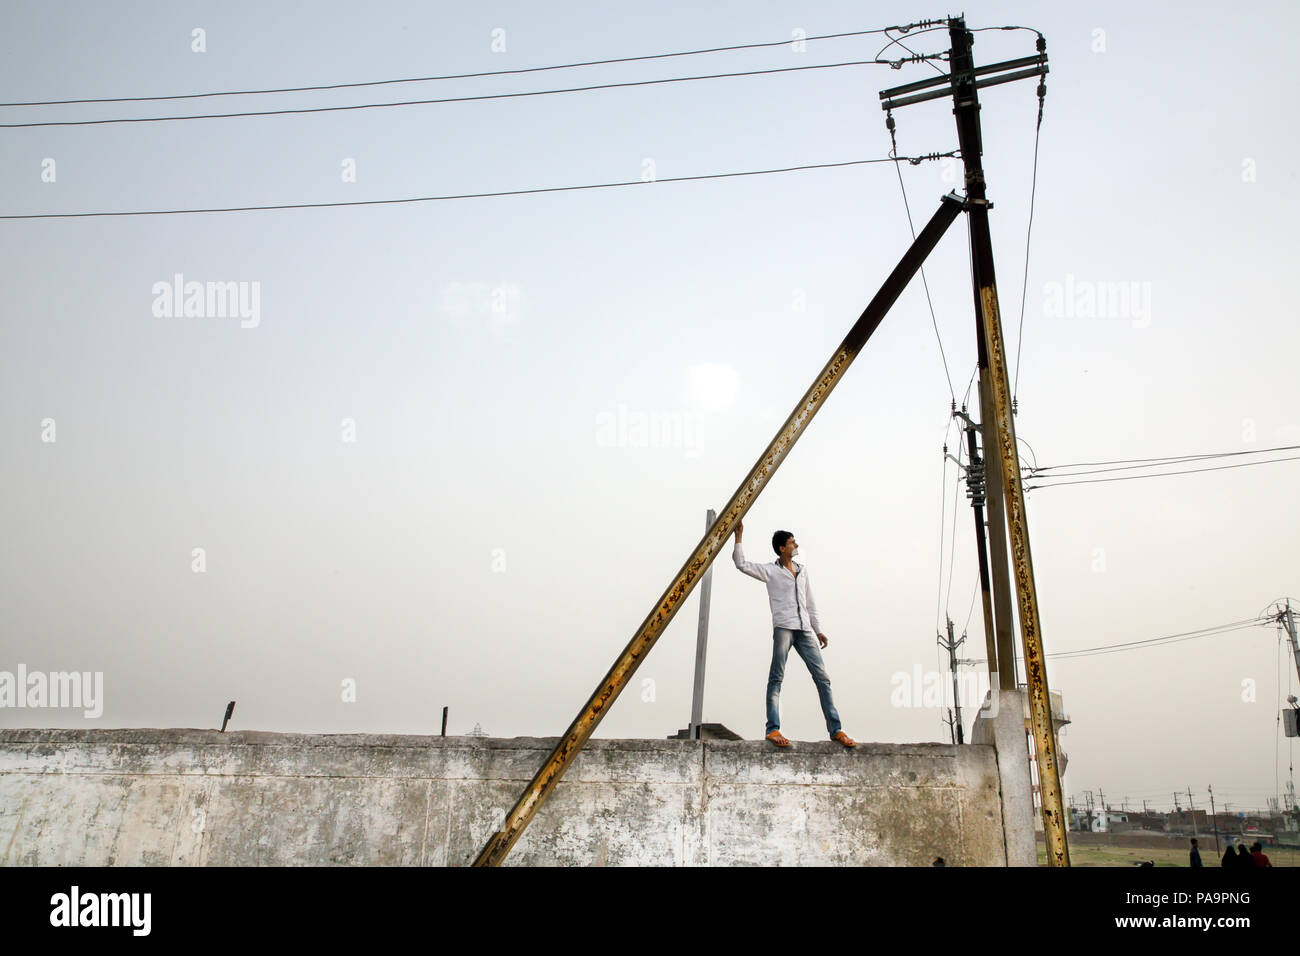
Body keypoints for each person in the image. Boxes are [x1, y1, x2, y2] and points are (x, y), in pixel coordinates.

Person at [733, 519, 856, 749]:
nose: (796, 545)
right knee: (776, 678)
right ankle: (773, 729)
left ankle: (836, 729)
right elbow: (741, 564)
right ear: (782, 548)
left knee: (822, 678)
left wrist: (818, 629)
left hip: (805, 629)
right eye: (792, 542)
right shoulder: (771, 571)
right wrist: (738, 537)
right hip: (784, 628)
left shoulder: (802, 571)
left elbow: (810, 602)